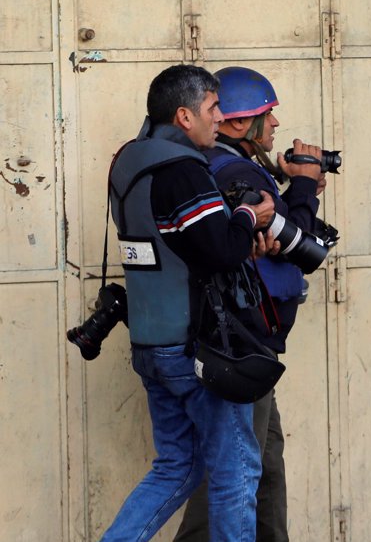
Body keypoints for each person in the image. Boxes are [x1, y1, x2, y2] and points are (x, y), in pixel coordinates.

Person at [100, 64, 276, 542]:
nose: (220, 118)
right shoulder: (183, 172)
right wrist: (247, 214)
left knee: (176, 468)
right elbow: (219, 251)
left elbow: (169, 241)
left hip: (151, 344)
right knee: (234, 474)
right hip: (195, 349)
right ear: (183, 116)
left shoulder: (128, 163)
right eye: (213, 108)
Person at [173, 66, 330, 542]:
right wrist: (303, 186)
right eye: (268, 115)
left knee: (265, 465)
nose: (277, 125)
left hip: (248, 349)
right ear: (240, 125)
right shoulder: (238, 171)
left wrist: (283, 182)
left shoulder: (221, 166)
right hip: (239, 346)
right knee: (233, 472)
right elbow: (302, 248)